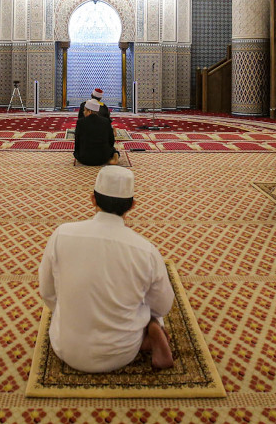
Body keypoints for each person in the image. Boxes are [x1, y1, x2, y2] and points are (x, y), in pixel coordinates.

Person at [39, 166, 174, 372]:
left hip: (65, 348)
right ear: (132, 206)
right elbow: (162, 306)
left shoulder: (62, 234)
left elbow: (47, 292)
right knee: (151, 304)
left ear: (93, 200)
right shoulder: (146, 250)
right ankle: (151, 332)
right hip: (123, 353)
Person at [74, 98, 119, 166]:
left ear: (89, 111)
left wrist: (78, 152)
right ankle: (114, 157)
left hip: (84, 159)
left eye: (85, 110)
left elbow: (77, 141)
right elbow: (111, 140)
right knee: (114, 150)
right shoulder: (106, 121)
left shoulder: (80, 122)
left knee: (76, 152)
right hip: (103, 158)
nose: (83, 112)